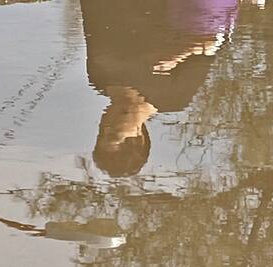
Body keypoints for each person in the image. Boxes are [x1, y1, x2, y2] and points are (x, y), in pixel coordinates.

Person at [82, 0, 241, 176]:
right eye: (112, 136)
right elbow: (212, 42)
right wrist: (179, 53)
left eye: (101, 135)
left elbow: (93, 12)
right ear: (138, 138)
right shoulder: (174, 98)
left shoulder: (98, 78)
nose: (106, 127)